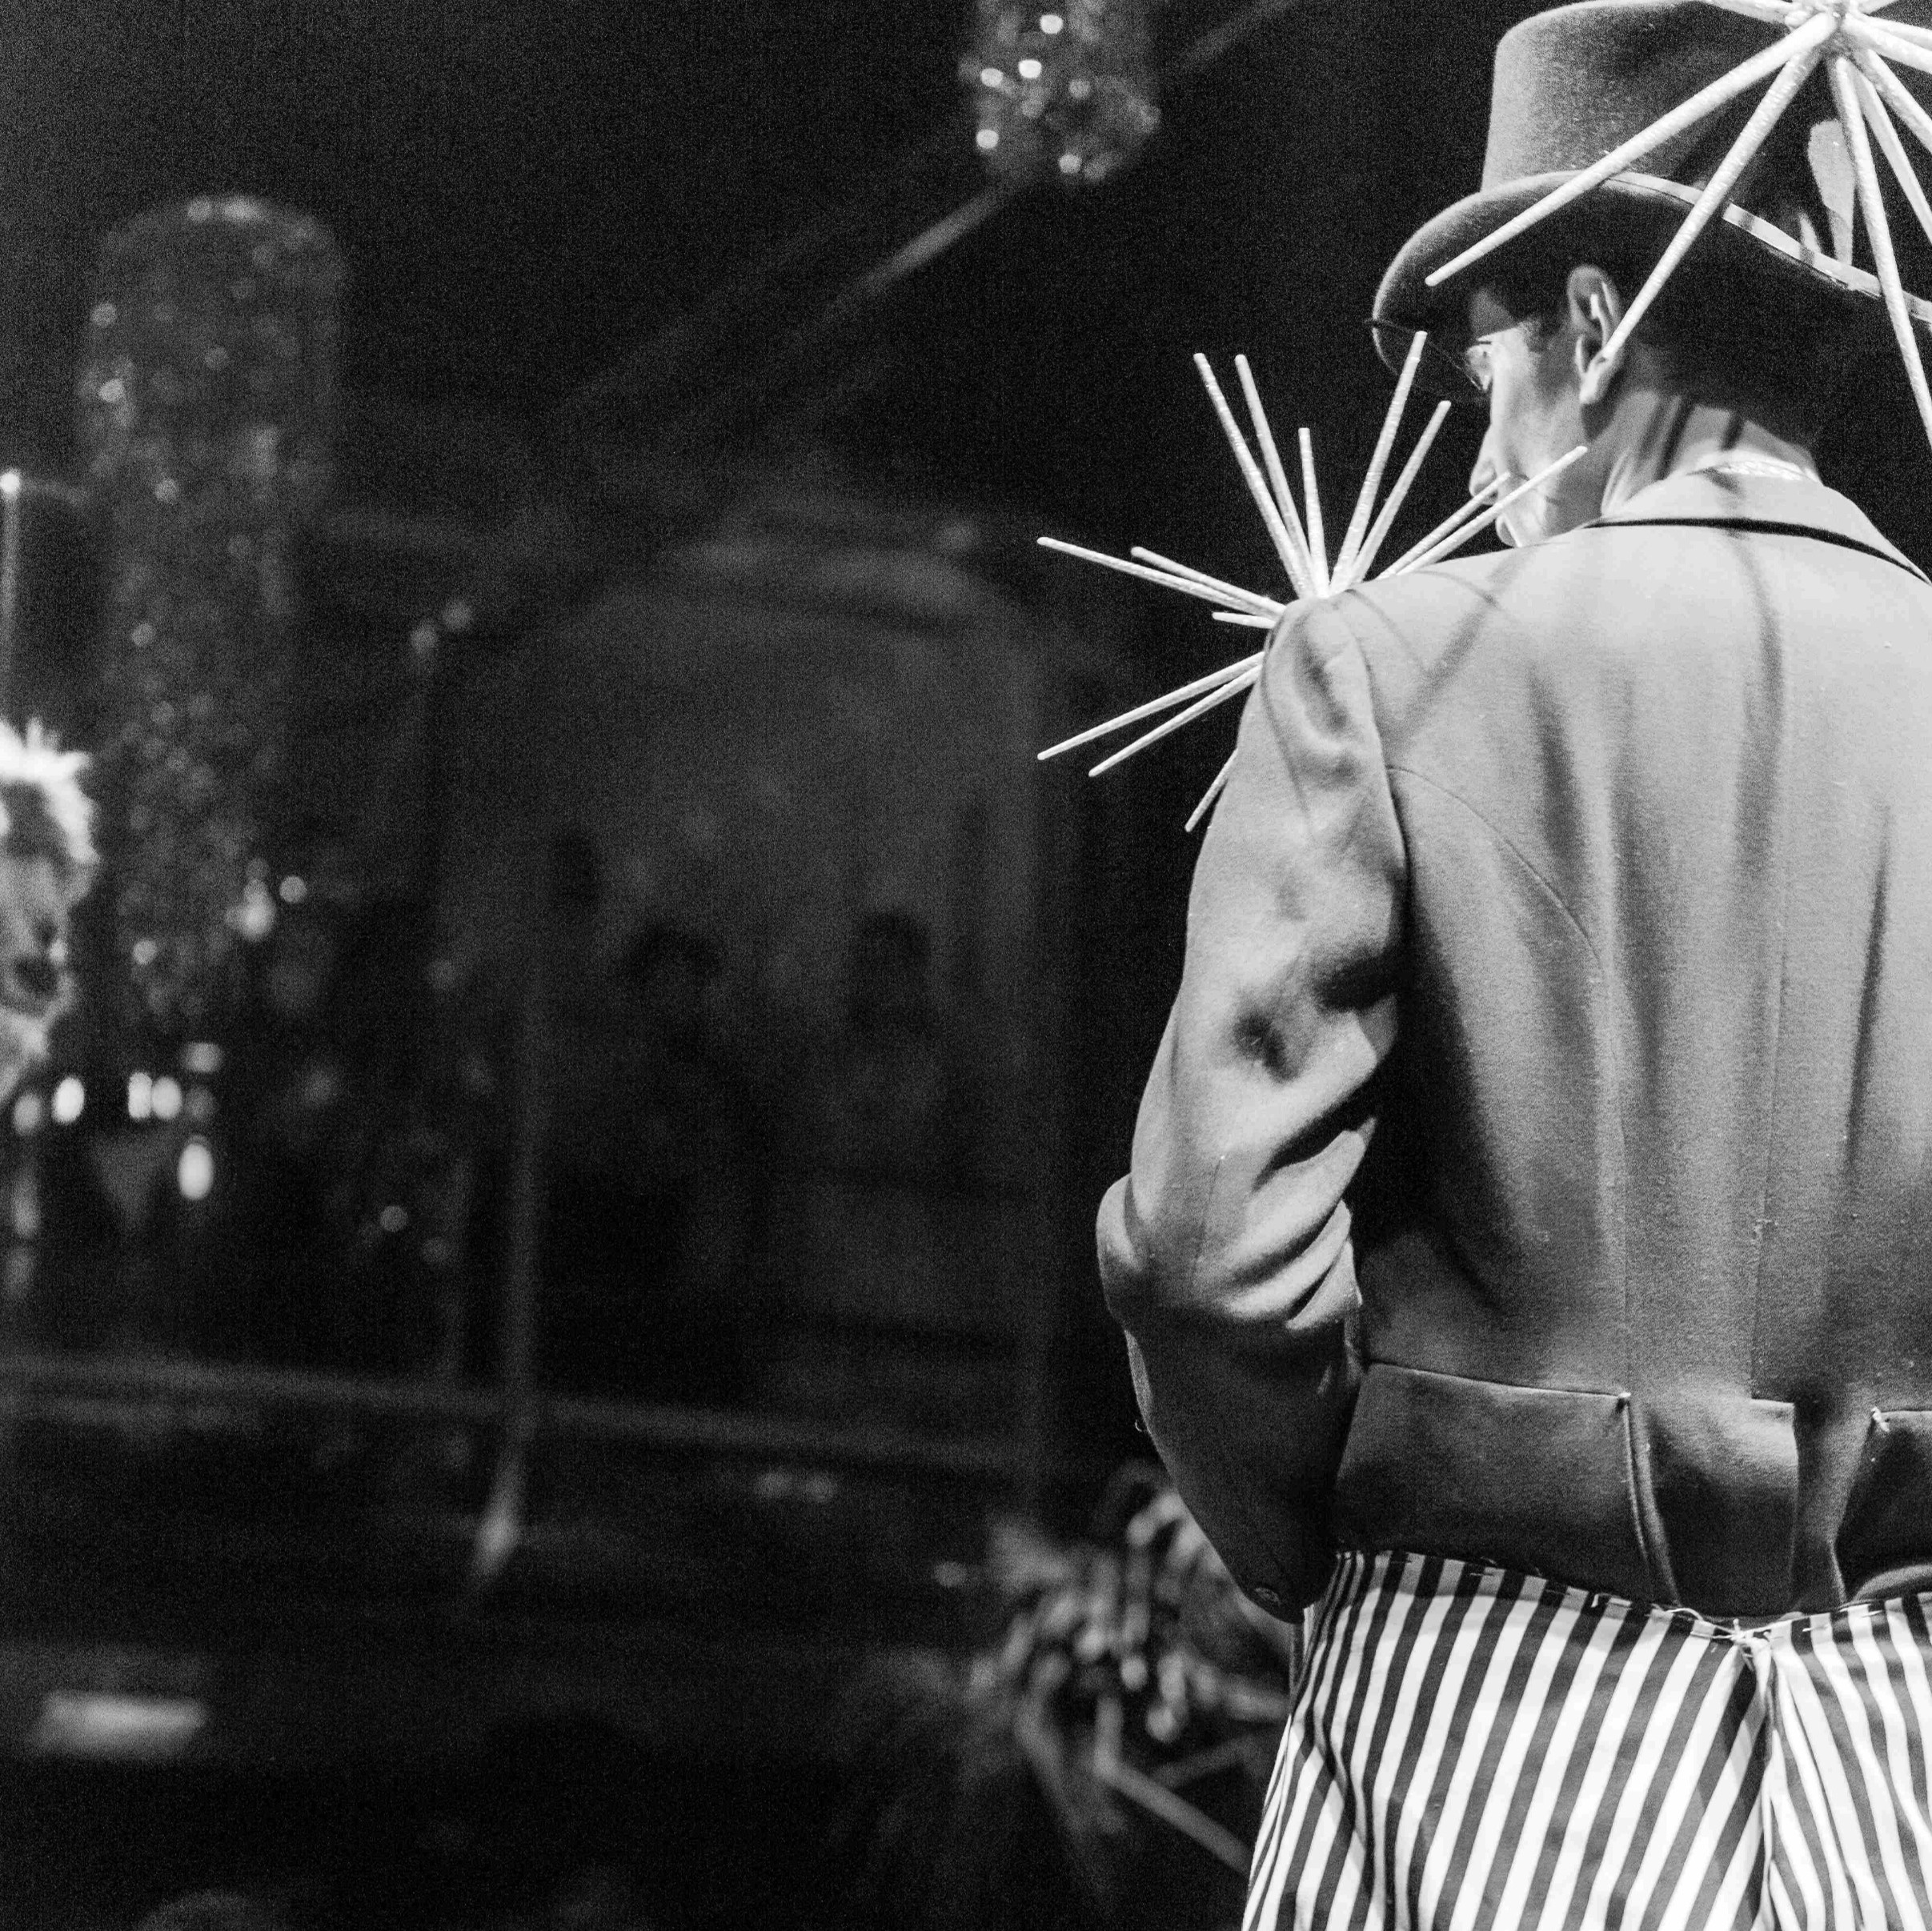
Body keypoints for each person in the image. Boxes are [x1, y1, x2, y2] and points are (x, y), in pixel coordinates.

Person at [1098, 4, 1932, 1925]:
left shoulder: (1391, 666)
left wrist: (1328, 1544)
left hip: (1497, 1738)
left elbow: (1209, 1259)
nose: (1484, 441)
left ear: (1587, 317)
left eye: (1488, 375)